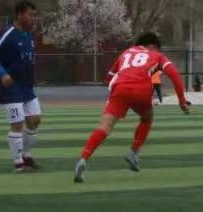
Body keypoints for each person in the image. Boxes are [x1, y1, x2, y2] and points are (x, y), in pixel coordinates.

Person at [74, 32, 189, 182]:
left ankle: (83, 158)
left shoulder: (126, 52)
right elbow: (174, 75)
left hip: (120, 88)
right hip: (141, 89)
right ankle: (133, 153)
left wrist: (114, 85)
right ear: (152, 45)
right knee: (147, 118)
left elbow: (109, 75)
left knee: (104, 126)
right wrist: (181, 101)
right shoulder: (157, 56)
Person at [0, 1, 42, 172]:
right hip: (10, 88)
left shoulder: (28, 35)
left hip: (26, 87)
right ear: (19, 15)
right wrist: (2, 74)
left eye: (35, 15)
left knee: (34, 120)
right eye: (31, 15)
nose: (34, 18)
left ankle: (26, 155)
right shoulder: (8, 33)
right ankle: (18, 163)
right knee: (17, 123)